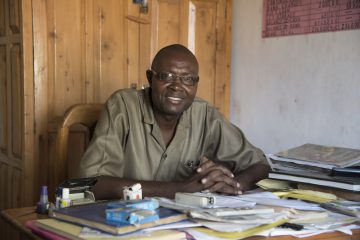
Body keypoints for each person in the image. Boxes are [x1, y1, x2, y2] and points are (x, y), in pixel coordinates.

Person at [79, 44, 269, 200]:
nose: (177, 86)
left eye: (187, 79)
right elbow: (92, 183)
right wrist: (179, 189)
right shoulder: (122, 106)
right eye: (166, 76)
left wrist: (235, 185)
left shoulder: (204, 114)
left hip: (183, 223)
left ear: (196, 84)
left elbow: (260, 165)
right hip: (123, 222)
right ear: (150, 78)